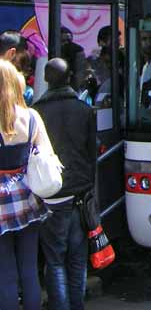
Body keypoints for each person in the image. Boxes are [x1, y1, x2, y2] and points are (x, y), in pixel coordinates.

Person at [33, 57, 96, 310]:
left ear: (46, 80)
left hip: (51, 195)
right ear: (70, 78)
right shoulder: (84, 110)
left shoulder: (37, 112)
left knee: (55, 260)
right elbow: (91, 155)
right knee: (77, 259)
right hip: (81, 195)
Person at [0, 59, 53, 310]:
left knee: (6, 273)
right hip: (28, 196)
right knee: (29, 268)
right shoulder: (32, 116)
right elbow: (46, 155)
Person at [60, 27, 87, 91]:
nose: (66, 44)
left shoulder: (78, 51)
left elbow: (80, 74)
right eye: (63, 41)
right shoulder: (53, 52)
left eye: (68, 41)